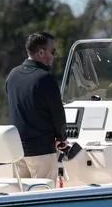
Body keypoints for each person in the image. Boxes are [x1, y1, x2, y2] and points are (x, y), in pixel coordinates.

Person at [5, 31, 67, 183]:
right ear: (40, 52)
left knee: (21, 199)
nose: (54, 56)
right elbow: (57, 113)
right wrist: (61, 137)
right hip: (41, 151)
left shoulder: (12, 75)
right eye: (52, 51)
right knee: (43, 198)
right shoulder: (45, 79)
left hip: (17, 151)